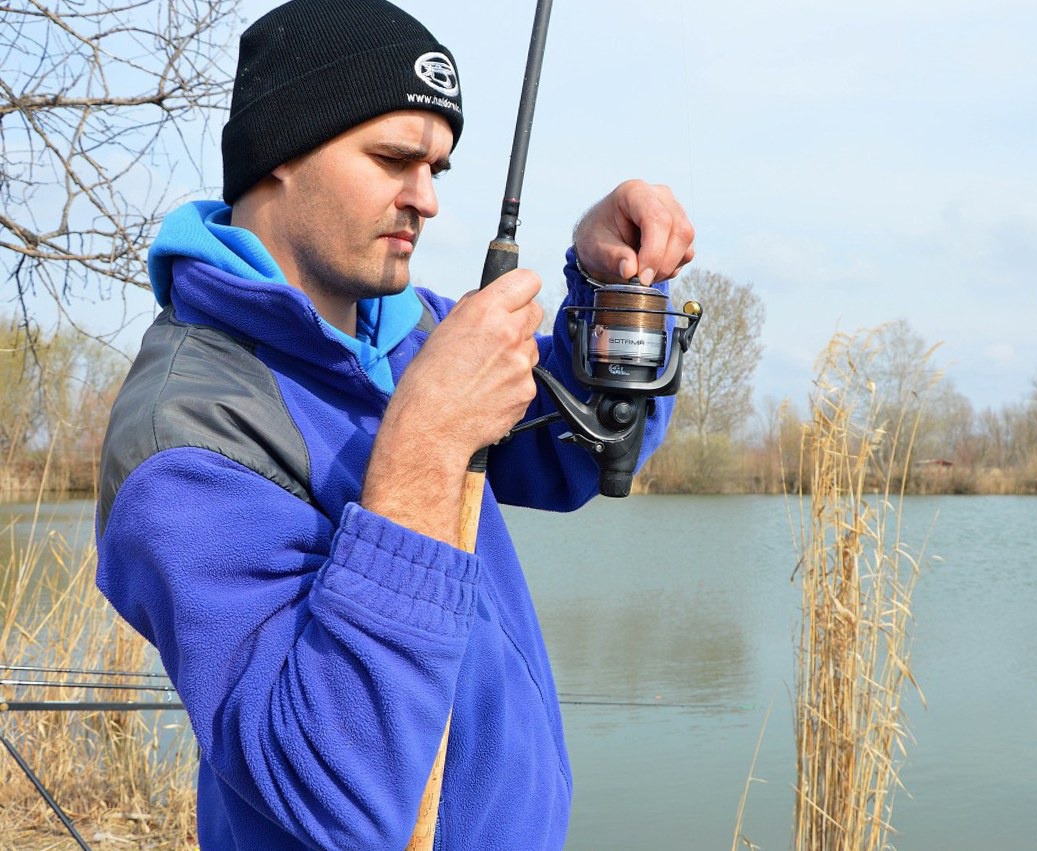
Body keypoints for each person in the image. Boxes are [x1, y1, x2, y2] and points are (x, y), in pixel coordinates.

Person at [94, 0, 694, 847]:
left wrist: (608, 291)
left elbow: (581, 455)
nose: (426, 200)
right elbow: (336, 791)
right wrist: (422, 445)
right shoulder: (184, 434)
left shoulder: (414, 333)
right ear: (277, 158)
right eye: (392, 159)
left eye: (438, 169)